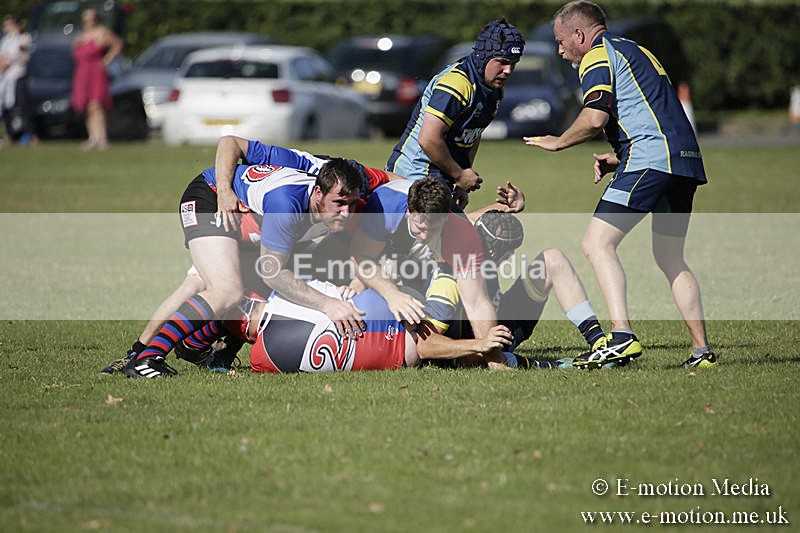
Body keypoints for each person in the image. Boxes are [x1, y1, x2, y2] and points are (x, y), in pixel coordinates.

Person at [102, 136, 402, 374]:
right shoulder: (287, 200)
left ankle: (195, 346)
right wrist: (329, 305)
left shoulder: (354, 177)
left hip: (257, 226)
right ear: (318, 192)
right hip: (212, 200)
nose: (347, 212)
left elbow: (398, 183)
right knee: (223, 289)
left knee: (271, 286)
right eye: (339, 204)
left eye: (353, 203)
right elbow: (229, 142)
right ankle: (143, 357)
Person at [523, 1, 715, 368]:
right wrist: (619, 157)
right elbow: (653, 110)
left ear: (579, 34)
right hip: (682, 161)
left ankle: (622, 337)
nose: (560, 50)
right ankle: (701, 352)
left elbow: (594, 118)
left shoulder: (597, 55)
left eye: (561, 41)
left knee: (597, 243)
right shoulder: (636, 49)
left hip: (650, 158)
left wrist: (560, 141)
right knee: (670, 257)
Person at [417, 209, 608, 369]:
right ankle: (545, 366)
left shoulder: (478, 247)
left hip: (501, 327)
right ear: (494, 252)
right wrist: (481, 344)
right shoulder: (449, 279)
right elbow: (425, 345)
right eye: (509, 253)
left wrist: (507, 204)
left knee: (553, 258)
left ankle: (600, 342)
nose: (511, 257)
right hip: (471, 348)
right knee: (473, 358)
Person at [349, 177, 507, 366]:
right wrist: (393, 294)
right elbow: (360, 257)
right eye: (420, 227)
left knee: (436, 327)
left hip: (433, 262)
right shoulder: (385, 206)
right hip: (380, 248)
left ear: (446, 217)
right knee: (355, 286)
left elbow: (477, 303)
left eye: (431, 230)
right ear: (409, 211)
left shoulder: (462, 234)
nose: (424, 236)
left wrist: (494, 359)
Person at [386, 18, 524, 205]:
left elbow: (472, 134)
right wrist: (459, 175)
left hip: (440, 180)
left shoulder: (493, 90)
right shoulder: (456, 84)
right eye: (502, 62)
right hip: (412, 178)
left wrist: (462, 179)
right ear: (483, 56)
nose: (508, 70)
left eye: (514, 63)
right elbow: (429, 139)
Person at [71, 8, 123, 150]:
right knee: (86, 106)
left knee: (96, 105)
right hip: (82, 73)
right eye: (86, 20)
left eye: (91, 19)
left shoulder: (102, 33)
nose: (88, 22)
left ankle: (102, 137)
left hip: (96, 72)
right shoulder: (81, 36)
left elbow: (117, 44)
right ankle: (92, 137)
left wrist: (107, 59)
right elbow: (75, 53)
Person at [0, 15, 36, 146]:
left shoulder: (23, 38)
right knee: (6, 106)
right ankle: (10, 134)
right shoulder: (5, 40)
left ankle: (30, 134)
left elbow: (21, 53)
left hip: (18, 74)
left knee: (22, 105)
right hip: (5, 77)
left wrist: (8, 60)